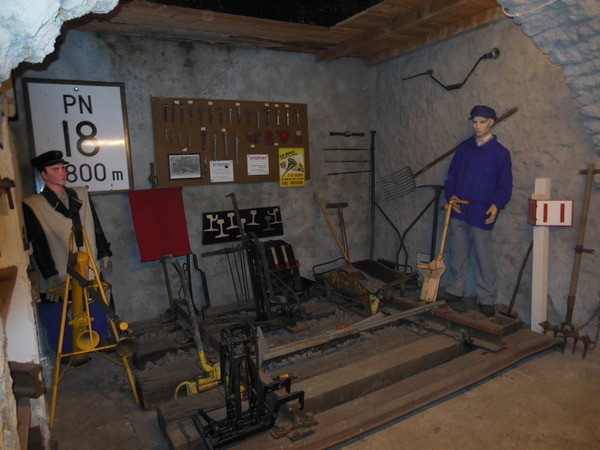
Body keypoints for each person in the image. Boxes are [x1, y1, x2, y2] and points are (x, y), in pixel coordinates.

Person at [441, 105, 513, 317]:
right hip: (459, 208)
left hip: (481, 210)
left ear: (491, 122)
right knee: (458, 252)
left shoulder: (500, 154)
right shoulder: (464, 148)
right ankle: (455, 289)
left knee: (483, 255)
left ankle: (487, 298)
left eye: (482, 122)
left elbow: (505, 184)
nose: (478, 126)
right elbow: (451, 175)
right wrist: (451, 195)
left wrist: (497, 204)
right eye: (475, 122)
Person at [23, 150, 113, 297]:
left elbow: (95, 223)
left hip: (89, 264)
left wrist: (103, 252)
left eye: (63, 168)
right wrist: (50, 275)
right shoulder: (33, 205)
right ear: (44, 175)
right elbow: (39, 244)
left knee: (98, 307)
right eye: (55, 170)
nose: (62, 173)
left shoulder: (81, 194)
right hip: (62, 266)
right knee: (66, 312)